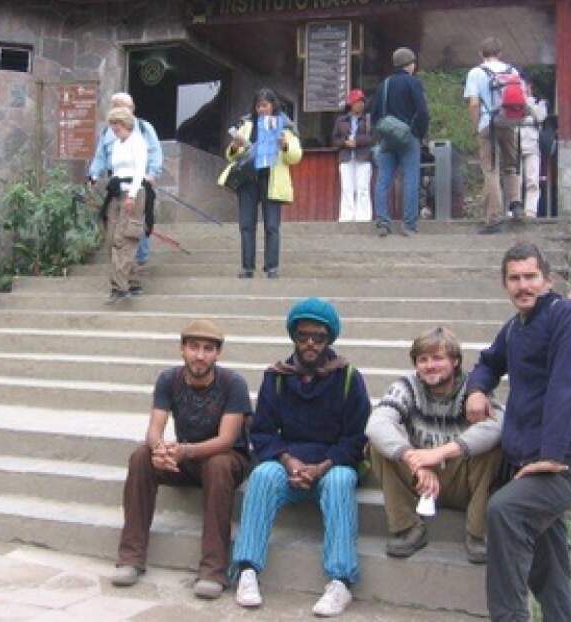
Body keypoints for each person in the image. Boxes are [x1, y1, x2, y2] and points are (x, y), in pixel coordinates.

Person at [465, 243, 571, 622]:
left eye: (530, 277)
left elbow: (567, 385)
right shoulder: (514, 329)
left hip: (567, 457)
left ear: (547, 279)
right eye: (515, 278)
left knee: (505, 511)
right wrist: (477, 389)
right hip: (528, 458)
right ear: (504, 283)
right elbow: (488, 363)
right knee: (547, 556)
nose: (523, 285)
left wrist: (551, 456)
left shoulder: (568, 317)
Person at [232, 298, 370, 617]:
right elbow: (263, 432)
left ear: (329, 339)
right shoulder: (277, 377)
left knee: (339, 482)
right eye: (303, 335)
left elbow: (356, 438)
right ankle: (248, 570)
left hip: (332, 464)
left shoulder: (348, 377)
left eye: (318, 337)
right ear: (293, 336)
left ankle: (340, 580)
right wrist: (289, 462)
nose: (310, 343)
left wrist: (321, 467)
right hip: (289, 465)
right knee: (263, 475)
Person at [112, 319, 252, 599]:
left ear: (218, 353)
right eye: (194, 347)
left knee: (218, 463)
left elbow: (226, 439)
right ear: (182, 349)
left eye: (208, 349)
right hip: (187, 458)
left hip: (227, 460)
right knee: (141, 456)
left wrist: (184, 451)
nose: (200, 355)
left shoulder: (232, 383)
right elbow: (154, 428)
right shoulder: (168, 379)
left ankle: (213, 569)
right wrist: (159, 450)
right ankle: (131, 558)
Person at [366, 327, 503, 563]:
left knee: (492, 447)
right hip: (419, 481)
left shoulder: (473, 390)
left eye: (438, 358)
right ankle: (408, 527)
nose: (430, 366)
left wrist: (439, 454)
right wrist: (414, 459)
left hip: (463, 481)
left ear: (456, 361)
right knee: (377, 445)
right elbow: (377, 423)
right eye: (423, 359)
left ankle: (478, 533)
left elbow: (498, 426)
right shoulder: (406, 387)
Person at [219, 88, 302, 279]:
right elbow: (230, 155)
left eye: (265, 105)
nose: (261, 109)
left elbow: (296, 156)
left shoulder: (284, 125)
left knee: (272, 226)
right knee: (246, 225)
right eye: (258, 106)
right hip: (248, 180)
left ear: (273, 105)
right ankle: (247, 267)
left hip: (271, 179)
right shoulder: (247, 124)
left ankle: (272, 267)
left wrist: (285, 146)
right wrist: (235, 146)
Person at [88, 92, 163, 266]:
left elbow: (155, 152)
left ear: (131, 109)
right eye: (117, 106)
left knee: (135, 224)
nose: (121, 110)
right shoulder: (108, 132)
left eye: (125, 106)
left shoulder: (144, 128)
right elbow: (100, 156)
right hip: (115, 186)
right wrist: (93, 174)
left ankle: (138, 262)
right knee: (116, 225)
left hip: (139, 184)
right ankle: (121, 265)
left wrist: (152, 173)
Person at [464, 37, 522, 232]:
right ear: (500, 53)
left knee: (490, 169)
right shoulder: (512, 71)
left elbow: (473, 103)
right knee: (511, 165)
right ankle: (515, 202)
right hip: (509, 122)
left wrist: (476, 126)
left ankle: (494, 216)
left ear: (481, 54)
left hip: (488, 123)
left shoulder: (476, 73)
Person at [371, 47, 430, 237]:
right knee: (411, 179)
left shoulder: (384, 85)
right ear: (410, 64)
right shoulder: (413, 83)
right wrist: (418, 133)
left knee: (383, 179)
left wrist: (382, 133)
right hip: (409, 136)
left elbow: (374, 115)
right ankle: (409, 225)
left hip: (387, 137)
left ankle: (383, 222)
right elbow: (422, 112)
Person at [100, 106, 148, 303]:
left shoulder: (137, 142)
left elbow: (139, 171)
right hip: (117, 193)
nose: (114, 130)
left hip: (132, 193)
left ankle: (119, 286)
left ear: (126, 124)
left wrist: (133, 195)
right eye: (112, 126)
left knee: (125, 238)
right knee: (112, 237)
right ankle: (132, 281)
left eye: (116, 126)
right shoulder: (118, 144)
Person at [332, 88, 374, 222]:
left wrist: (357, 141)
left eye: (362, 101)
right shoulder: (341, 120)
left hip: (363, 156)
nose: (360, 104)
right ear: (351, 103)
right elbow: (334, 140)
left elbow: (373, 138)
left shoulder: (368, 120)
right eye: (357, 101)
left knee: (363, 188)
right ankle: (346, 217)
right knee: (347, 188)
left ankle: (363, 217)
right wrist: (345, 143)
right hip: (346, 157)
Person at [517, 80, 547, 218]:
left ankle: (531, 211)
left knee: (532, 179)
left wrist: (527, 103)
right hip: (515, 142)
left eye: (526, 85)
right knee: (515, 180)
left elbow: (540, 117)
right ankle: (513, 209)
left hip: (533, 144)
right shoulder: (510, 102)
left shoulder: (539, 102)